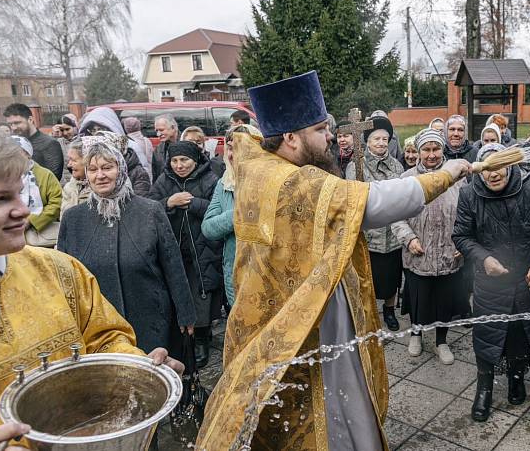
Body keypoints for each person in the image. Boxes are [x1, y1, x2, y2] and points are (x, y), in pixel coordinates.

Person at [195, 71, 472, 451]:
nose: (330, 135)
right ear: (291, 138)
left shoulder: (262, 165)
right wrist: (447, 173)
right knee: (325, 403)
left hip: (294, 305)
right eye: (319, 129)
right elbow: (371, 203)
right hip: (306, 321)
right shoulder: (291, 181)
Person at [0, 132, 182, 434]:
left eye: (20, 192)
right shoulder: (75, 219)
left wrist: (142, 367)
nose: (24, 210)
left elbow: (105, 337)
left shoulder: (55, 268)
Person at [454, 142, 530, 422]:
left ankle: (516, 377)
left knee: (520, 333)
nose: (494, 174)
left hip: (528, 280)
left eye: (499, 166)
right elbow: (462, 236)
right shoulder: (468, 195)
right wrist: (484, 258)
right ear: (479, 172)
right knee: (487, 336)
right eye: (487, 169)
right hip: (490, 282)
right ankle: (484, 388)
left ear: (511, 163)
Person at [58, 139, 197, 357]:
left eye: (107, 167)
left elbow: (173, 265)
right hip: (99, 331)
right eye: (93, 169)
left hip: (150, 319)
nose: (100, 175)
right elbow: (65, 277)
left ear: (121, 169)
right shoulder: (73, 219)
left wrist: (185, 313)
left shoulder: (150, 211)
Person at [392, 129, 468, 364]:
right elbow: (396, 215)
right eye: (427, 149)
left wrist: (463, 242)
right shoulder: (407, 179)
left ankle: (441, 341)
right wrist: (409, 238)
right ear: (419, 151)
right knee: (418, 298)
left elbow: (468, 213)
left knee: (444, 301)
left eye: (436, 149)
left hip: (449, 252)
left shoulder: (457, 178)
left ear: (442, 150)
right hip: (419, 252)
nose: (432, 155)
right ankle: (416, 334)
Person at [148, 140, 223, 368]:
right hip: (174, 249)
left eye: (184, 160)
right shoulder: (164, 181)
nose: (179, 165)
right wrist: (169, 202)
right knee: (179, 293)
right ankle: (184, 336)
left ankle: (201, 336)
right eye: (175, 160)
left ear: (195, 160)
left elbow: (218, 207)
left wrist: (194, 203)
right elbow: (149, 207)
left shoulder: (210, 179)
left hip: (203, 248)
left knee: (202, 293)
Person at [346, 116, 405, 332]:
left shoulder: (397, 166)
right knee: (367, 279)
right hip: (370, 236)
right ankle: (368, 314)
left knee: (391, 277)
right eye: (376, 139)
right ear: (367, 141)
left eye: (385, 139)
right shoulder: (356, 167)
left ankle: (389, 311)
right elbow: (355, 198)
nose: (381, 143)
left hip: (392, 233)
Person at [202, 124, 262, 308]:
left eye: (239, 147)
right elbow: (208, 228)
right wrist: (239, 213)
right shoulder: (225, 183)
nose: (232, 154)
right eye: (229, 148)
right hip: (235, 272)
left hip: (265, 271)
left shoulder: (271, 181)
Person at [10, 136, 62, 248]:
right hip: (10, 236)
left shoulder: (45, 175)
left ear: (28, 154)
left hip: (41, 238)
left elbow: (56, 203)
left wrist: (31, 221)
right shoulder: (1, 176)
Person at [3, 103, 63, 178]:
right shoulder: (12, 144)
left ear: (30, 120)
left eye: (17, 123)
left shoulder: (49, 143)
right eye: (10, 124)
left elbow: (54, 177)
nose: (13, 128)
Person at [61, 138, 91, 217]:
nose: (69, 165)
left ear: (88, 161)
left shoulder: (102, 191)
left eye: (73, 160)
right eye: (69, 159)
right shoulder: (69, 187)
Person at [123, 116, 154, 181]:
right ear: (139, 126)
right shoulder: (147, 140)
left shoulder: (127, 143)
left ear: (126, 128)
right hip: (149, 174)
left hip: (136, 178)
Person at [152, 113, 180, 180]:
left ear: (173, 128)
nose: (158, 134)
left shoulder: (187, 144)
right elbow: (155, 175)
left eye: (161, 130)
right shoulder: (158, 149)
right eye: (156, 131)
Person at [54, 113, 79, 184]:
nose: (65, 133)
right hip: (63, 183)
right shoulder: (57, 142)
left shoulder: (82, 141)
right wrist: (54, 135)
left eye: (67, 129)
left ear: (74, 127)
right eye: (62, 130)